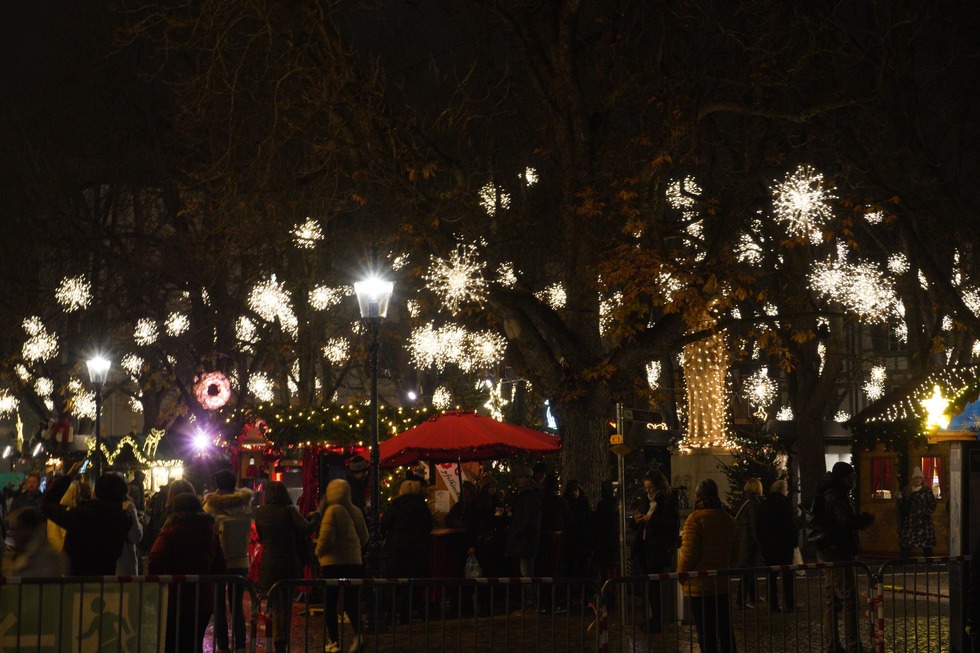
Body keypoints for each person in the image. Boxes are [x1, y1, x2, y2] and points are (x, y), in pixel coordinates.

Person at [147, 493, 226, 653]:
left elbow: (155, 558)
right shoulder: (210, 532)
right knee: (194, 643)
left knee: (172, 643)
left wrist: (159, 578)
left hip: (175, 598)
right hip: (202, 599)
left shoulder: (170, 531)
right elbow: (220, 566)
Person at [815, 461, 874, 653]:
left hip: (827, 552)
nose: (854, 479)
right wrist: (864, 519)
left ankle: (833, 644)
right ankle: (853, 645)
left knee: (832, 601)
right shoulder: (838, 496)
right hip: (837, 553)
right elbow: (846, 521)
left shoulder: (828, 492)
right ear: (845, 477)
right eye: (852, 475)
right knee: (849, 599)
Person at [254, 481, 319, 653]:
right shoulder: (289, 511)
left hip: (269, 563)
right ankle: (282, 639)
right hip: (288, 562)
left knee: (275, 603)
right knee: (286, 603)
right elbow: (307, 528)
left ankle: (278, 638)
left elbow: (261, 538)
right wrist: (316, 516)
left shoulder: (259, 512)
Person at [677, 478, 737, 653]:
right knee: (725, 629)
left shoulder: (695, 519)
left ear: (698, 496)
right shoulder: (727, 519)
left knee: (705, 631)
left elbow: (689, 553)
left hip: (700, 586)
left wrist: (681, 574)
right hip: (722, 583)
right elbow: (735, 551)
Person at [41, 464, 133, 575]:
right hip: (105, 580)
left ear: (96, 493)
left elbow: (46, 504)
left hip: (76, 580)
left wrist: (68, 478)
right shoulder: (124, 519)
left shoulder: (80, 515)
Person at [316, 478, 370, 653]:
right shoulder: (356, 511)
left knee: (330, 604)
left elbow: (326, 539)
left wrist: (317, 551)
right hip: (354, 562)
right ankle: (359, 634)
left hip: (332, 563)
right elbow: (364, 536)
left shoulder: (332, 511)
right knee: (351, 602)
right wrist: (354, 550)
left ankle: (334, 642)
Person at [204, 469, 254, 653]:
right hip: (241, 561)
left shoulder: (211, 506)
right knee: (237, 606)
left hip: (219, 561)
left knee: (218, 605)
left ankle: (223, 646)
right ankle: (240, 645)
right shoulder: (245, 504)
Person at [634, 471, 680, 632]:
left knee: (654, 584)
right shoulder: (647, 501)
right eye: (646, 488)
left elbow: (671, 525)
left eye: (651, 487)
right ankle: (652, 618)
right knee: (650, 584)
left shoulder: (667, 500)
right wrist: (638, 520)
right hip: (646, 547)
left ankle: (657, 619)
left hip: (658, 548)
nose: (648, 491)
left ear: (658, 486)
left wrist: (650, 519)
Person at [756, 479, 798, 612]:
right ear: (781, 490)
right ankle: (789, 604)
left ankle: (773, 604)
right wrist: (794, 542)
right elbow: (790, 526)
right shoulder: (784, 505)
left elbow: (759, 526)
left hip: (769, 546)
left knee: (772, 577)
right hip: (784, 546)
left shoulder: (764, 505)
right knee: (787, 576)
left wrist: (762, 543)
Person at [2, 506, 68, 578]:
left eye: (16, 529)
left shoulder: (48, 557)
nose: (12, 534)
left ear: (28, 529)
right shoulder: (19, 552)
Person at [734, 477, 764, 608]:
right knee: (748, 571)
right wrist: (759, 542)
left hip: (743, 540)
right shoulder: (753, 503)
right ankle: (740, 601)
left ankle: (753, 596)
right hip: (749, 542)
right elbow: (754, 525)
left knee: (750, 570)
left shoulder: (744, 501)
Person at [898, 466, 937, 559]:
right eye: (916, 478)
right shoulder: (908, 490)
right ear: (913, 479)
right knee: (906, 541)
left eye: (920, 478)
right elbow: (903, 504)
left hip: (923, 521)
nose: (918, 480)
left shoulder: (926, 490)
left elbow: (932, 503)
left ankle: (929, 561)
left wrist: (926, 513)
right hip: (910, 520)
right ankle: (904, 561)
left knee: (926, 543)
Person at [116, 487, 144, 575]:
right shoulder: (128, 506)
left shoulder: (99, 508)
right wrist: (140, 524)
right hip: (125, 561)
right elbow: (136, 536)